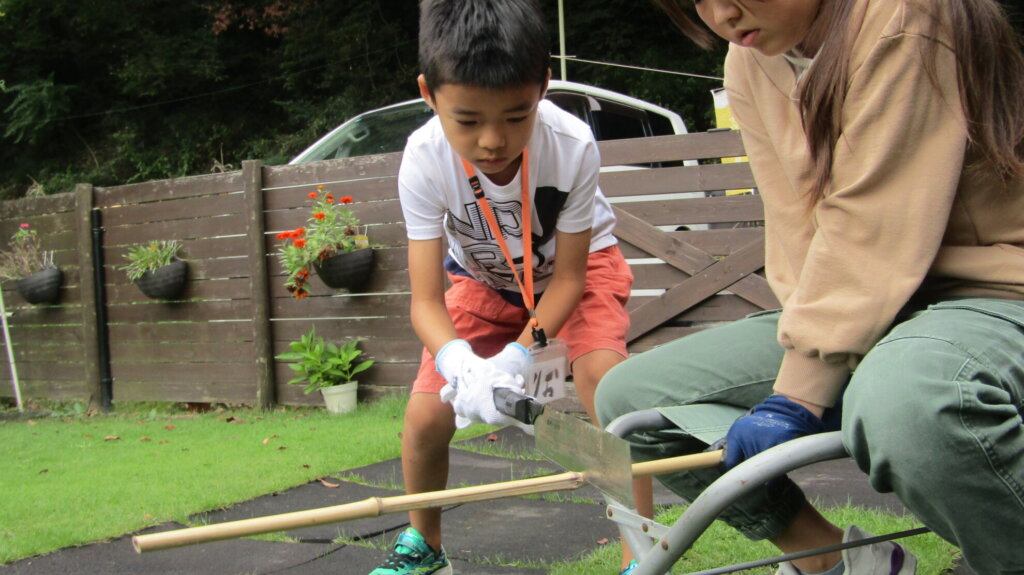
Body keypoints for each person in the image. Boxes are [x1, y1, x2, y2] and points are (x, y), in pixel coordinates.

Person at [596, 0, 1024, 574]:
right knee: (631, 398)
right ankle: (840, 564)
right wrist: (813, 354)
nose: (721, 14)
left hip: (989, 292)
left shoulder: (909, 16)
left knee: (910, 404)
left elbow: (874, 221)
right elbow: (795, 223)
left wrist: (800, 391)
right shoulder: (750, 59)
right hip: (868, 305)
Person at [369, 1, 653, 574]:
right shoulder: (423, 160)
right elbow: (426, 301)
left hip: (577, 274)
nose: (493, 140)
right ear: (428, 94)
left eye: (517, 116)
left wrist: (518, 356)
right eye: (468, 121)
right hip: (481, 280)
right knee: (425, 416)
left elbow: (569, 278)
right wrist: (458, 362)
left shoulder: (572, 145)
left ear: (543, 87)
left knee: (608, 387)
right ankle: (424, 547)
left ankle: (640, 558)